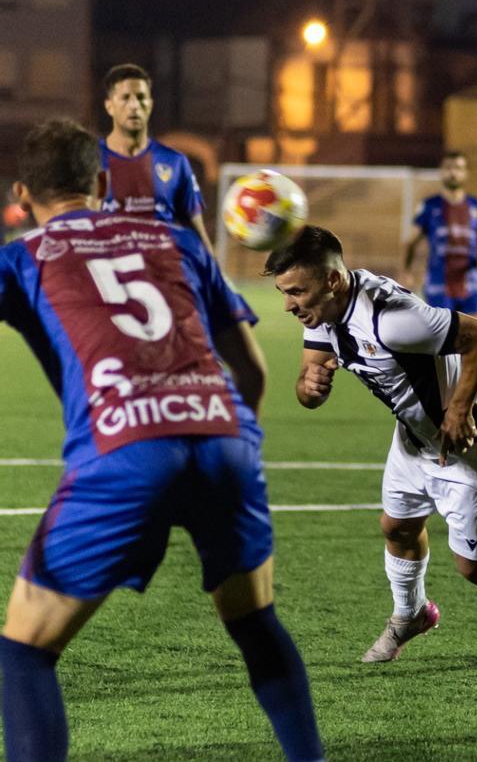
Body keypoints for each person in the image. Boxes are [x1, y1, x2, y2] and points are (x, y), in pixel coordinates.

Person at [0, 119, 323, 761]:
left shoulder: (22, 256)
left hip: (122, 449)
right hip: (225, 433)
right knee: (254, 622)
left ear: (21, 195)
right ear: (99, 182)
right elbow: (253, 370)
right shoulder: (178, 239)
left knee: (24, 652)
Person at [264, 226, 477, 668]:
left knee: (475, 566)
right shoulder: (325, 313)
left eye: (296, 292)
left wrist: (458, 412)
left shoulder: (392, 319)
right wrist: (310, 386)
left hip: (470, 443)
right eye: (284, 292)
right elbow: (309, 388)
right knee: (397, 527)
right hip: (414, 437)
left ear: (332, 281)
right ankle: (411, 614)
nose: (288, 304)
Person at [99, 63, 215, 254]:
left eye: (141, 97)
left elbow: (197, 230)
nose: (134, 105)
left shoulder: (174, 162)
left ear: (150, 104)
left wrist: (213, 275)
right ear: (109, 106)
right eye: (126, 98)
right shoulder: (90, 161)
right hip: (110, 272)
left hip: (161, 274)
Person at [403, 152, 477, 320]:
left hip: (471, 282)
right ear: (441, 172)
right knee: (442, 339)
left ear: (465, 173)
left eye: (458, 168)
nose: (453, 172)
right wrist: (406, 271)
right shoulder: (429, 206)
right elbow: (411, 242)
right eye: (448, 168)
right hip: (438, 283)